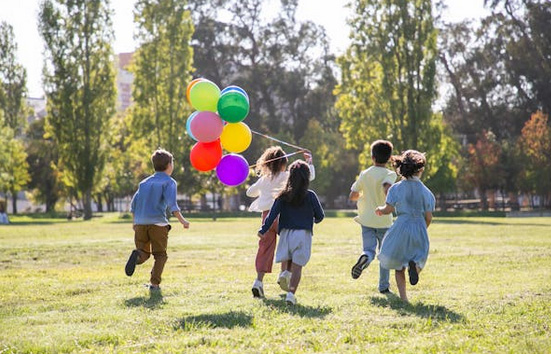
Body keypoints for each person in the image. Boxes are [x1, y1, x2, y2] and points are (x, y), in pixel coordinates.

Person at [246, 146, 315, 298]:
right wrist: (309, 162)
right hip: (284, 217)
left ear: (267, 164)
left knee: (264, 249)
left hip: (266, 218)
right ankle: (285, 273)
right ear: (284, 163)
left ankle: (258, 282)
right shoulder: (287, 176)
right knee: (289, 246)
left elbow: (249, 192)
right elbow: (309, 177)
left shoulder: (264, 179)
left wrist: (262, 186)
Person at [258, 160, 324, 305]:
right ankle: (291, 294)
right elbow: (320, 216)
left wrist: (263, 229)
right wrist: (312, 220)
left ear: (290, 176)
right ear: (307, 178)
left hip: (286, 233)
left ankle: (285, 273)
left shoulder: (282, 196)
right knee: (298, 266)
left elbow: (272, 215)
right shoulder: (311, 195)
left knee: (288, 257)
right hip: (303, 234)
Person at [125, 148, 190, 291]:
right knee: (160, 255)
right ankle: (154, 284)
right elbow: (172, 205)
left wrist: (135, 223)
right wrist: (183, 221)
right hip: (158, 224)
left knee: (144, 253)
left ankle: (137, 256)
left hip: (140, 224)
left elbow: (133, 205)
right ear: (169, 165)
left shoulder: (144, 183)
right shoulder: (169, 182)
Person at [375, 150, 435, 302]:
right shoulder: (427, 192)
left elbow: (388, 209)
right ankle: (415, 268)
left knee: (398, 265)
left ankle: (404, 299)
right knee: (420, 258)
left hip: (400, 227)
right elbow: (428, 217)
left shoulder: (395, 188)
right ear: (420, 169)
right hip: (419, 227)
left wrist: (380, 210)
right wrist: (422, 228)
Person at [349, 140, 397, 294]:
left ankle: (365, 258)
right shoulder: (390, 174)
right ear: (389, 158)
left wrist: (363, 195)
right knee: (384, 254)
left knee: (368, 250)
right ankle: (383, 286)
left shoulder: (365, 173)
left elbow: (352, 195)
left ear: (372, 157)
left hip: (366, 219)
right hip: (384, 219)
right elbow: (387, 188)